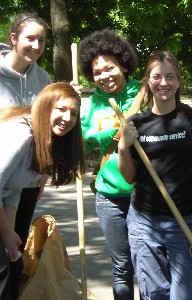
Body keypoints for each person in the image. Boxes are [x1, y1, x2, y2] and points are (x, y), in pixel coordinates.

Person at [117, 51, 192, 299]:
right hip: (144, 223)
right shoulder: (136, 124)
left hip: (187, 220)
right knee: (154, 293)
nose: (163, 83)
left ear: (178, 81)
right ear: (147, 81)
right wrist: (123, 146)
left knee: (184, 294)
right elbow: (129, 176)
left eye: (170, 76)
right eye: (157, 77)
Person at [0, 82, 85, 299]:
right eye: (61, 109)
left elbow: (12, 190)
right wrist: (7, 233)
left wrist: (9, 235)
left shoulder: (46, 141)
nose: (67, 118)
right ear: (45, 106)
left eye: (74, 113)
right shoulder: (22, 134)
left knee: (12, 266)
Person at [78, 28, 141, 300]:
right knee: (122, 265)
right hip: (109, 197)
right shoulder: (90, 105)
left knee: (150, 262)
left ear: (123, 65)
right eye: (97, 72)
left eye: (109, 68)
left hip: (147, 193)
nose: (104, 76)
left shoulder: (144, 91)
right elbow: (82, 138)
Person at [0, 12, 52, 298]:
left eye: (41, 40)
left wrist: (43, 171)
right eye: (30, 38)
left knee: (14, 253)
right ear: (13, 39)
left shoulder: (42, 78)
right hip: (0, 175)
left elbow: (46, 128)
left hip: (26, 182)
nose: (36, 45)